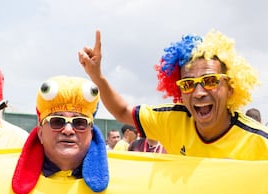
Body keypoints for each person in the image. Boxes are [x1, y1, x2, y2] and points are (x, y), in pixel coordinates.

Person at [78, 30, 268, 160]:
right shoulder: (172, 120)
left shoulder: (260, 143)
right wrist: (97, 76)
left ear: (231, 87)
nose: (199, 92)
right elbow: (122, 111)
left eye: (210, 81)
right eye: (187, 84)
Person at [11, 76, 109, 194]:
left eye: (79, 123)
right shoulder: (4, 175)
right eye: (57, 121)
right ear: (40, 133)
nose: (68, 130)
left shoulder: (121, 176)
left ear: (91, 133)